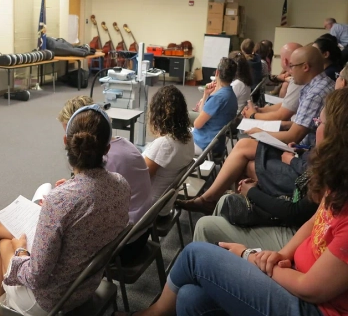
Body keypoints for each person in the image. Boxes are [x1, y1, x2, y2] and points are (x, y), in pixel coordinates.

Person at [127, 88, 348, 316]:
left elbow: (309, 289)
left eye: (319, 122)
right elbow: (315, 220)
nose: (314, 127)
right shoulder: (338, 182)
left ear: (337, 135)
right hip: (295, 269)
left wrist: (248, 256)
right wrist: (283, 255)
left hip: (312, 307)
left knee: (194, 255)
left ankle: (152, 313)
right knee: (190, 298)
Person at [0, 104, 130, 314]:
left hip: (52, 300)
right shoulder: (121, 185)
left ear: (66, 142)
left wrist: (21, 250)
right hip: (86, 284)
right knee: (2, 229)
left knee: (5, 243)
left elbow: (37, 276)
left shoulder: (60, 200)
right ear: (107, 148)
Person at [179, 46, 334, 214]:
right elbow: (301, 124)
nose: (288, 71)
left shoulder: (315, 92)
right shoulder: (315, 86)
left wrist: (261, 132)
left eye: (292, 66)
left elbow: (295, 134)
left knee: (245, 148)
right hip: (303, 152)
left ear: (305, 67)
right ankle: (225, 202)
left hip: (302, 156)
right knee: (245, 151)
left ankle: (215, 201)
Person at [57, 96, 152, 264]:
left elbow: (88, 209)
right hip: (141, 230)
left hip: (124, 244)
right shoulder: (124, 145)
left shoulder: (107, 162)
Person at [143, 85, 194, 216]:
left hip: (150, 209)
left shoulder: (165, 145)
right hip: (164, 204)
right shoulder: (188, 137)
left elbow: (140, 178)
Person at [242, 43, 302, 122]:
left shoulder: (298, 81)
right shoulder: (298, 78)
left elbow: (281, 115)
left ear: (285, 61)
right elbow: (287, 105)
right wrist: (261, 110)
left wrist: (253, 115)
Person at [192, 58, 238, 156]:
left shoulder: (218, 98)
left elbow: (197, 124)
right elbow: (202, 115)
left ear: (217, 73)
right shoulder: (231, 95)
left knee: (172, 140)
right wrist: (206, 95)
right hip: (216, 143)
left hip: (203, 143)